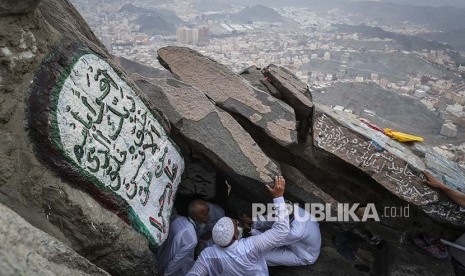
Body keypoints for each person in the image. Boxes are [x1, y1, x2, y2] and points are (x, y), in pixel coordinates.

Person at [186, 176, 289, 276]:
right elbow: (282, 230)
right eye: (235, 225)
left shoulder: (208, 255)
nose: (237, 223)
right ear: (235, 236)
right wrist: (278, 197)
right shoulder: (250, 247)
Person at [246, 203, 321, 266]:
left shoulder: (295, 232)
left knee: (259, 257)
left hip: (304, 254)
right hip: (300, 240)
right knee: (263, 233)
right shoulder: (290, 208)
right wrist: (253, 222)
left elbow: (271, 241)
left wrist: (251, 230)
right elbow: (272, 217)